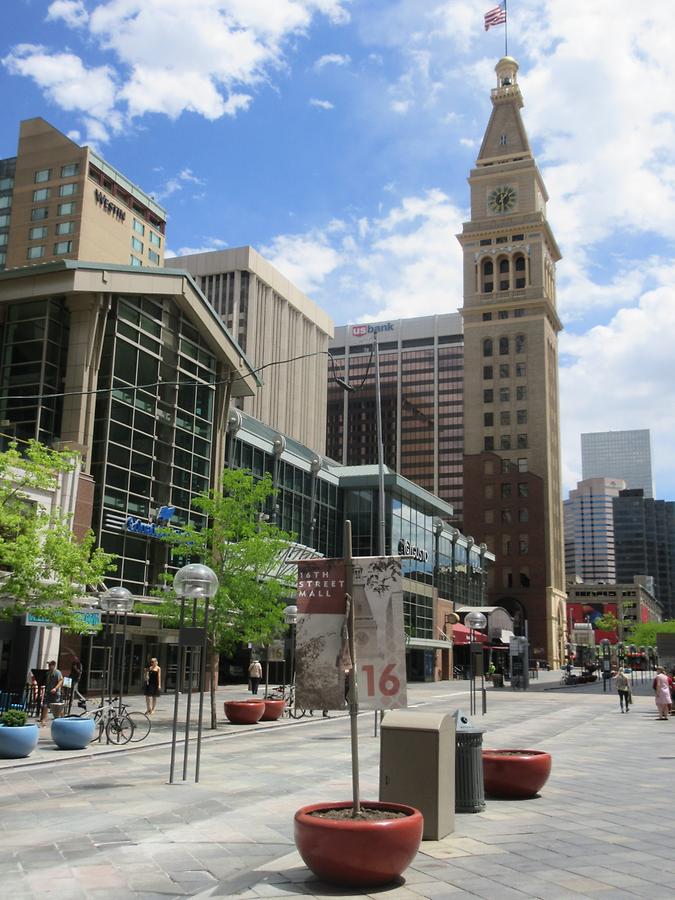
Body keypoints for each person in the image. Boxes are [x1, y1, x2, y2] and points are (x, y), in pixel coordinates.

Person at [40, 660, 63, 726]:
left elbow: (61, 681)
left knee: (58, 708)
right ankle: (44, 720)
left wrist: (55, 688)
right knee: (45, 706)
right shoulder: (48, 673)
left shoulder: (57, 672)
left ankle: (62, 718)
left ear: (53, 665)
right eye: (49, 665)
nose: (49, 666)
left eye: (50, 665)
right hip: (48, 692)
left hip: (55, 694)